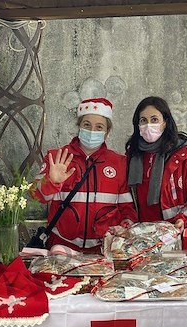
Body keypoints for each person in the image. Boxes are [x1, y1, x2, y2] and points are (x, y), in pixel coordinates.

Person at [31, 97, 137, 252]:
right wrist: (51, 182)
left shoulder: (119, 163)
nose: (92, 131)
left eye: (99, 127)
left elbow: (127, 208)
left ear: (106, 132)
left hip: (103, 249)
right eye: (87, 125)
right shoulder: (57, 157)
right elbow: (35, 195)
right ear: (79, 126)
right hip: (61, 246)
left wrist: (125, 227)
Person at [126, 96, 187, 232]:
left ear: (165, 122)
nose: (148, 125)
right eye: (143, 120)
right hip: (140, 235)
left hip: (174, 234)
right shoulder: (132, 155)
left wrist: (183, 219)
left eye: (154, 120)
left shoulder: (186, 155)